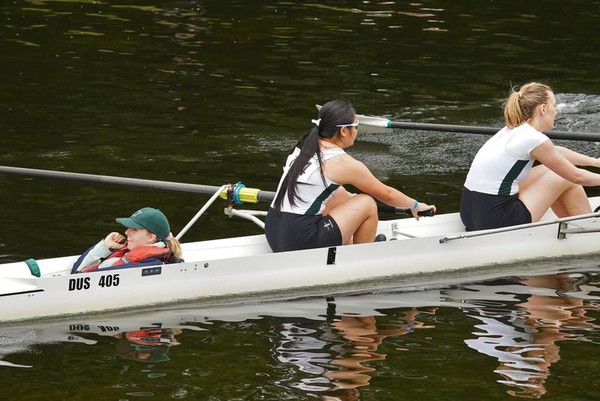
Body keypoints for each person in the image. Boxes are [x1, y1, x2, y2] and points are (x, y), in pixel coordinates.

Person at [265, 99, 436, 252]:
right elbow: (387, 194)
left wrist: (352, 202)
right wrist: (415, 205)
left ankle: (349, 245)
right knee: (367, 203)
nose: (357, 130)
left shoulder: (304, 147)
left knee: (342, 198)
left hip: (273, 232)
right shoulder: (342, 162)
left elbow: (336, 194)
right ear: (343, 131)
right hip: (300, 242)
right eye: (356, 125)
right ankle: (360, 257)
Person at [460, 82, 600, 231]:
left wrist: (595, 162)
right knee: (564, 177)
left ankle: (578, 224)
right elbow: (576, 176)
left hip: (470, 214)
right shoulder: (533, 138)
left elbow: (557, 152)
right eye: (554, 106)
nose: (556, 112)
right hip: (496, 219)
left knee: (553, 170)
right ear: (543, 108)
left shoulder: (510, 130)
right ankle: (589, 230)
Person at [71, 207, 183, 273]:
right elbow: (77, 271)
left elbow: (81, 277)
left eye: (134, 229)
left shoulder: (152, 265)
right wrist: (106, 246)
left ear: (151, 238)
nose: (126, 232)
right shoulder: (125, 251)